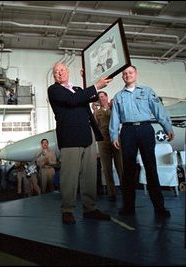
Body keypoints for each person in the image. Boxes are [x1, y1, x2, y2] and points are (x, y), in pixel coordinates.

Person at [47, 62, 113, 224]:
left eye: (62, 70)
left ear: (68, 72)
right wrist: (95, 85)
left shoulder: (77, 89)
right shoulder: (54, 90)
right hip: (70, 136)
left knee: (90, 174)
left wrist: (88, 79)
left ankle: (90, 208)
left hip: (87, 133)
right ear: (54, 76)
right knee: (69, 175)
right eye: (56, 72)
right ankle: (67, 210)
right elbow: (72, 100)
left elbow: (92, 96)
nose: (60, 73)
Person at [109, 65, 174, 218]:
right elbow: (115, 118)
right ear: (122, 77)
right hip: (127, 132)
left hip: (145, 129)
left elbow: (158, 110)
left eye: (130, 72)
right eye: (125, 73)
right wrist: (113, 135)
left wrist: (167, 126)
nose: (127, 75)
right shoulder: (118, 96)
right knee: (129, 171)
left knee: (151, 168)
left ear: (136, 74)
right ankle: (128, 207)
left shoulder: (147, 91)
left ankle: (159, 208)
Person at [93, 91, 124, 202]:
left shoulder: (114, 108)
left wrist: (114, 106)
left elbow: (121, 119)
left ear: (107, 97)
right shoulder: (97, 112)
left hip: (115, 140)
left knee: (120, 166)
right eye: (99, 97)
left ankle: (125, 191)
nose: (101, 99)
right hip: (103, 141)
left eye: (102, 96)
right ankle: (112, 193)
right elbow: (95, 126)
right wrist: (94, 112)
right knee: (106, 168)